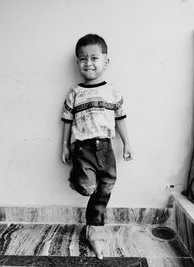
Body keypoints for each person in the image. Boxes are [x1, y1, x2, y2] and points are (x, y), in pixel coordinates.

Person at [61, 34, 132, 259]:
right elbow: (66, 121)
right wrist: (64, 146)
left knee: (106, 186)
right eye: (83, 59)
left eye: (94, 58)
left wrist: (128, 142)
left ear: (105, 61)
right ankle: (78, 179)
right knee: (87, 186)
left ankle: (94, 226)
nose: (88, 63)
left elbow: (120, 117)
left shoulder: (112, 91)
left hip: (106, 147)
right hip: (83, 147)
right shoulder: (75, 92)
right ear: (77, 62)